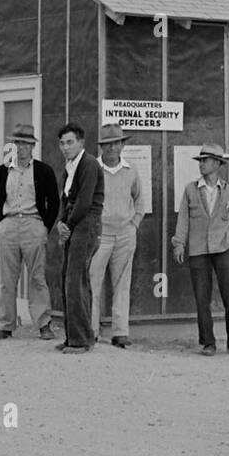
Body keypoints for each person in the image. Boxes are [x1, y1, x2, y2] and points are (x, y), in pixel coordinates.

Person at [172, 143, 229, 355]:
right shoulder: (190, 189)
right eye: (201, 161)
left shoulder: (228, 191)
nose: (202, 165)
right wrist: (179, 243)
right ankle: (208, 342)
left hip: (224, 249)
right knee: (202, 297)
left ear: (217, 164)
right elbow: (183, 220)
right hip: (198, 250)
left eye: (206, 161)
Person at [0, 123, 60, 340]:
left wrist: (44, 227)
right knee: (7, 279)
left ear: (33, 146)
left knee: (37, 277)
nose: (22, 148)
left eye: (26, 144)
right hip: (8, 225)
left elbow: (54, 201)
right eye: (18, 143)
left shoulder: (43, 171)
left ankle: (43, 324)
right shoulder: (2, 170)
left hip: (33, 224)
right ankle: (6, 324)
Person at [89, 123, 144, 348]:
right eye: (108, 144)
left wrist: (134, 225)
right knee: (93, 282)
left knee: (122, 283)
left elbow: (139, 199)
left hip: (125, 234)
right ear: (102, 147)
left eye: (117, 143)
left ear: (122, 145)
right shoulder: (93, 169)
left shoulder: (131, 170)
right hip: (100, 235)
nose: (113, 148)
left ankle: (120, 332)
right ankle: (90, 330)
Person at [53, 122, 103, 353]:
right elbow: (66, 199)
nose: (65, 147)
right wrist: (61, 223)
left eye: (70, 142)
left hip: (87, 225)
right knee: (69, 280)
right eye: (62, 143)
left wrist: (68, 224)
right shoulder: (70, 166)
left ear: (81, 142)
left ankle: (81, 339)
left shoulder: (89, 164)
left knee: (76, 282)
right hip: (74, 224)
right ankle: (74, 336)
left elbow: (84, 202)